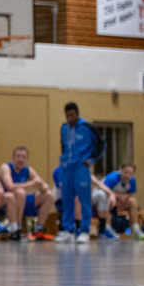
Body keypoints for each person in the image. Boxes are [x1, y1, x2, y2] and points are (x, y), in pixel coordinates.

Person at [58, 102, 106, 244]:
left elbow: (101, 143)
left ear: (77, 114)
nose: (69, 118)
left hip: (81, 167)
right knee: (66, 199)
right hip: (67, 168)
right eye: (67, 116)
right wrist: (64, 159)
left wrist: (92, 159)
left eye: (72, 115)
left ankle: (84, 230)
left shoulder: (87, 127)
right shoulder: (64, 128)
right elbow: (63, 145)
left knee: (84, 200)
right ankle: (68, 230)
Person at [0, 146, 56, 241]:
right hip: (6, 202)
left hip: (22, 202)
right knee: (20, 192)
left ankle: (38, 229)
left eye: (23, 157)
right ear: (13, 158)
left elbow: (44, 185)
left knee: (48, 195)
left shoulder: (28, 170)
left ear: (27, 159)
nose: (21, 159)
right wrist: (31, 183)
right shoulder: (6, 167)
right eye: (18, 156)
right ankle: (17, 228)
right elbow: (10, 186)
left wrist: (41, 186)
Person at [103, 162, 144, 240]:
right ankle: (107, 229)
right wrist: (117, 195)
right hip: (103, 201)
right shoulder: (112, 178)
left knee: (133, 201)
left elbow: (130, 194)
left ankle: (135, 229)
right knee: (108, 201)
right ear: (121, 170)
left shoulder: (132, 181)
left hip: (119, 202)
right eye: (126, 172)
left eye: (130, 173)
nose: (127, 175)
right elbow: (104, 192)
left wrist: (124, 197)